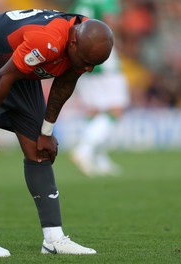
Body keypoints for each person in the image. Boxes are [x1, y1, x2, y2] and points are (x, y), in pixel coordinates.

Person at [0, 9, 113, 257]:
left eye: (94, 65)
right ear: (73, 42)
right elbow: (3, 78)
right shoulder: (47, 42)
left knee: (38, 151)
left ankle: (53, 239)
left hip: (19, 65)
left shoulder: (83, 42)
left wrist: (47, 131)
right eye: (86, 62)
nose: (89, 69)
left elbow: (65, 81)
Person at [69, 0, 130, 177]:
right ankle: (84, 149)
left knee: (94, 111)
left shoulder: (78, 4)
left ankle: (98, 158)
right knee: (116, 109)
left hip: (80, 59)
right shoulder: (105, 2)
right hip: (103, 57)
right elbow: (109, 22)